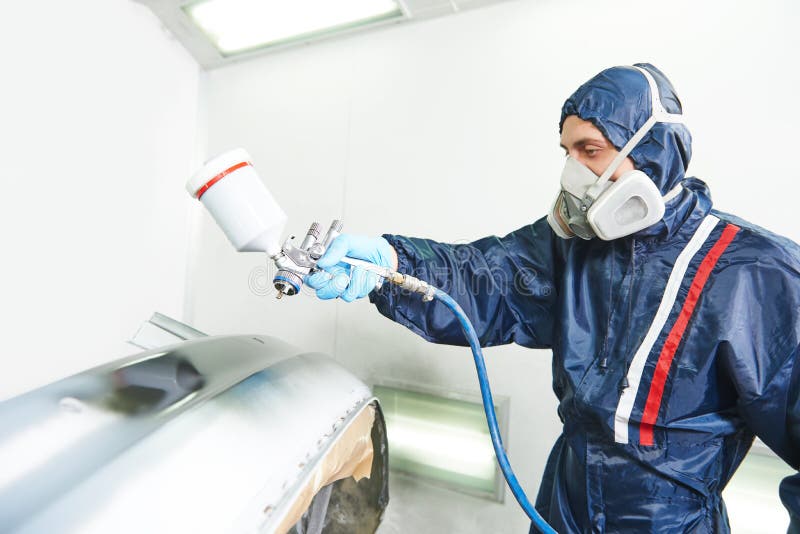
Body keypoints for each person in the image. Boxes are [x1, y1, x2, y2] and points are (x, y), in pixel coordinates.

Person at [305, 63, 800, 533]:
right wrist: (389, 266)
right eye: (567, 153)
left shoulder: (754, 273)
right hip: (565, 503)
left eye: (590, 150)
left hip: (670, 521)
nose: (573, 174)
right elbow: (483, 278)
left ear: (652, 152)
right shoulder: (572, 248)